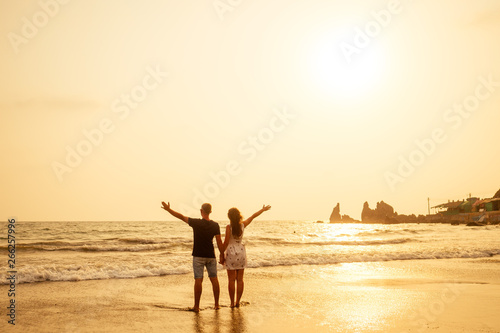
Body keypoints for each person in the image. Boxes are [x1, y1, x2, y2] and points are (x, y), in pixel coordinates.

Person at [161, 201, 223, 312]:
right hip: (211, 256)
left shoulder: (196, 223)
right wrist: (222, 255)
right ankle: (217, 304)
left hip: (198, 256)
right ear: (210, 212)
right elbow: (219, 242)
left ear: (201, 211)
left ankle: (197, 306)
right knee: (214, 279)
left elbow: (180, 216)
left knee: (198, 280)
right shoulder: (215, 225)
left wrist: (168, 210)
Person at [221, 204, 271, 308]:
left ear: (229, 217)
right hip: (241, 252)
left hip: (231, 252)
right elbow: (253, 216)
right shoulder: (243, 225)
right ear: (239, 216)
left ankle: (231, 303)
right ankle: (237, 302)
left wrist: (221, 253)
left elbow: (226, 243)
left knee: (231, 279)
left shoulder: (228, 227)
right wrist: (262, 209)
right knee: (240, 279)